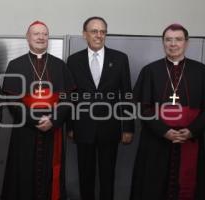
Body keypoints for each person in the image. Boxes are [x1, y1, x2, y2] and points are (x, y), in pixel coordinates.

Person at [131, 24, 205, 200]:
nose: (173, 44)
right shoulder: (150, 71)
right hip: (156, 140)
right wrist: (164, 131)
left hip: (190, 138)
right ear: (163, 42)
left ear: (186, 42)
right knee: (152, 185)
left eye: (178, 39)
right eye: (168, 40)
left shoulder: (201, 71)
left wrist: (192, 130)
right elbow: (141, 106)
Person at [1, 21, 74, 200]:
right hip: (25, 130)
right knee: (23, 171)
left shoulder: (60, 65)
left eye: (45, 34)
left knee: (51, 172)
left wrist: (54, 120)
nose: (41, 37)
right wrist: (34, 120)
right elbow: (12, 100)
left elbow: (68, 98)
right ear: (28, 37)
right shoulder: (15, 65)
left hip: (52, 130)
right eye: (36, 34)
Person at [66, 16, 134, 200]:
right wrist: (71, 127)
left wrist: (127, 127)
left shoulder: (120, 59)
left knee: (108, 176)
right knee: (85, 176)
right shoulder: (73, 60)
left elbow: (126, 95)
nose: (99, 35)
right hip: (83, 128)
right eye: (94, 31)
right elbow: (71, 97)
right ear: (84, 34)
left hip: (110, 128)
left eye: (102, 31)